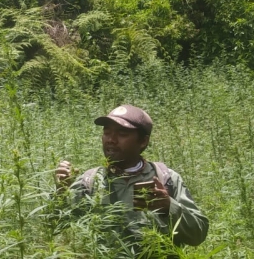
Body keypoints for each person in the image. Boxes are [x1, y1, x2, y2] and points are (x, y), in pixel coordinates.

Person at [54, 104, 209, 251]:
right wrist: (62, 191)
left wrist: (169, 206)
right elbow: (56, 231)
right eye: (107, 132)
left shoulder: (166, 178)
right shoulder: (90, 181)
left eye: (122, 134)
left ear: (143, 141)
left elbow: (198, 234)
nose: (111, 140)